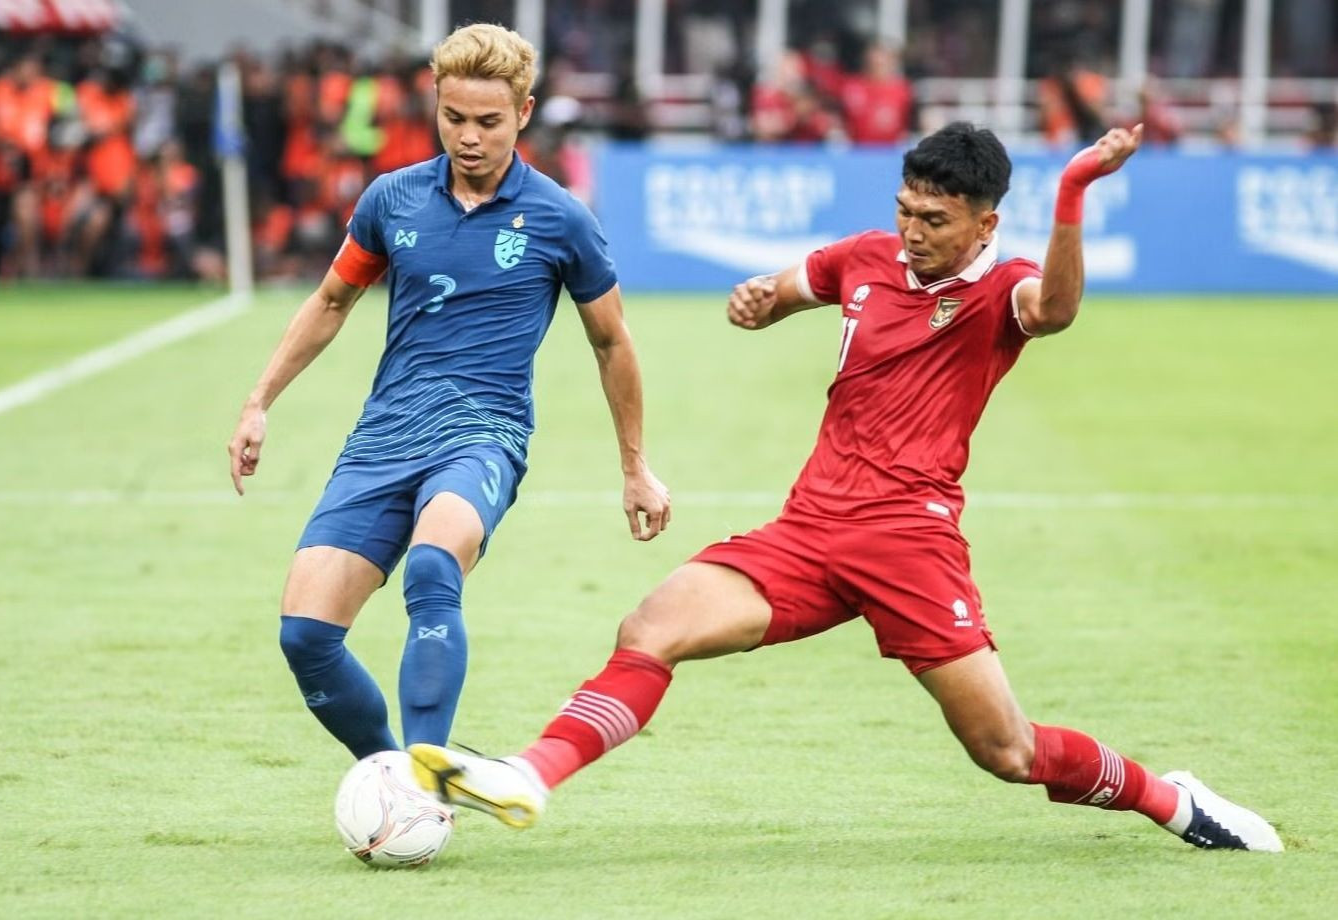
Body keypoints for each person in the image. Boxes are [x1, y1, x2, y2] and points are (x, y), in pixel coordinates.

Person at [407, 122, 1284, 853]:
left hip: (909, 542)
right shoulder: (866, 258)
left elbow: (1054, 311)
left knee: (1007, 751)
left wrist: (1076, 188)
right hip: (809, 529)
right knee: (651, 627)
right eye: (905, 210)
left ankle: (1172, 801)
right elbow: (795, 286)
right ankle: (529, 776)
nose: (913, 231)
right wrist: (761, 301)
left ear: (985, 223)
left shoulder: (1001, 289)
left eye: (935, 219)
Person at [227, 23, 670, 761]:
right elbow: (332, 300)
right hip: (385, 435)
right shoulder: (392, 198)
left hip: (483, 435)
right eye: (453, 117)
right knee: (305, 635)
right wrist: (258, 402)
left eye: (488, 122)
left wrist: (635, 466)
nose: (469, 137)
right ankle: (392, 776)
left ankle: (426, 782)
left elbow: (611, 341)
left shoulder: (560, 217)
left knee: (434, 566)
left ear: (523, 113)